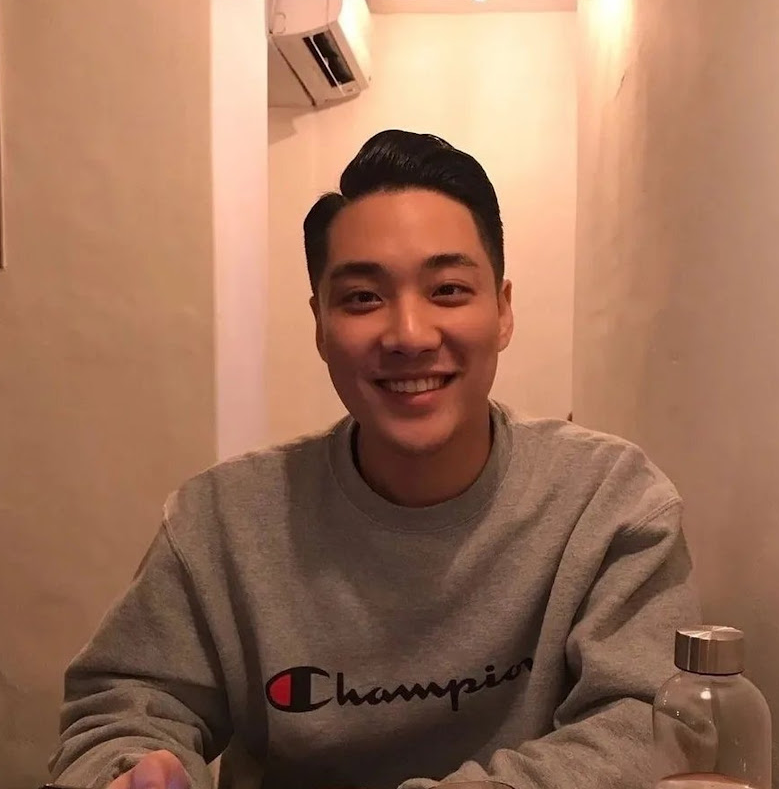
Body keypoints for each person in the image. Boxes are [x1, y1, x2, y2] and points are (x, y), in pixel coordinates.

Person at [49, 130, 700, 789]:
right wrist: (125, 770)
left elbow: (651, 718)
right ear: (320, 324)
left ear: (503, 311)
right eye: (363, 297)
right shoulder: (221, 522)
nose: (409, 335)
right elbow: (122, 710)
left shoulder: (609, 502)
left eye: (448, 289)